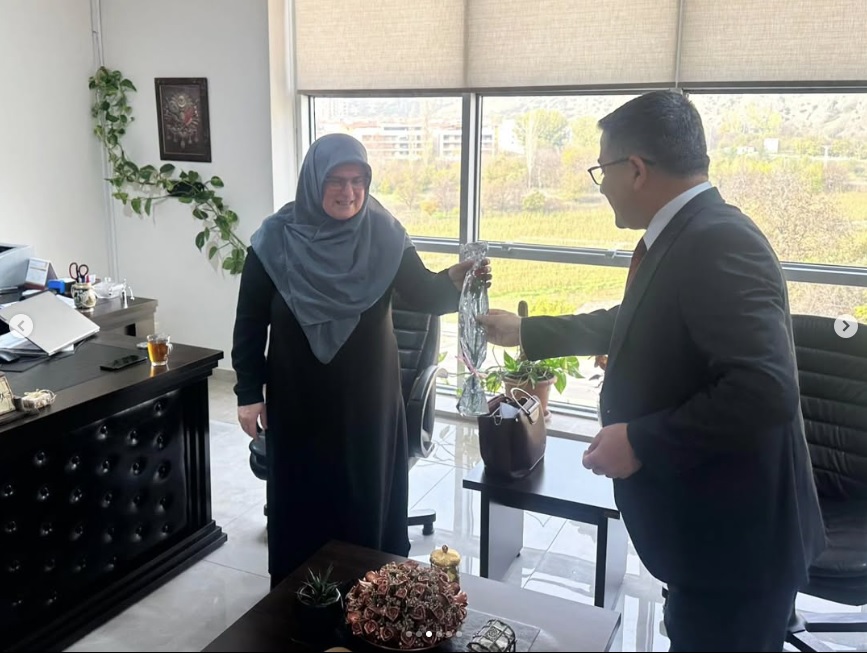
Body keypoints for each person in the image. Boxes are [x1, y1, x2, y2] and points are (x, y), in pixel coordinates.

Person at [477, 91, 825, 652]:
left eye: (602, 171)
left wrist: (641, 440)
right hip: (713, 537)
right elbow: (636, 319)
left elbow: (764, 390)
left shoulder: (719, 242)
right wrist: (528, 330)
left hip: (736, 549)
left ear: (635, 169)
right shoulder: (690, 232)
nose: (602, 187)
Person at [231, 133, 490, 588]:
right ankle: (297, 594)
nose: (348, 192)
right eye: (336, 180)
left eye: (358, 180)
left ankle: (371, 595)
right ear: (313, 181)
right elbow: (250, 322)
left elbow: (424, 294)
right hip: (298, 397)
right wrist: (248, 393)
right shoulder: (274, 240)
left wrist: (457, 279)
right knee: (303, 498)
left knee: (365, 498)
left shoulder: (385, 234)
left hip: (369, 399)